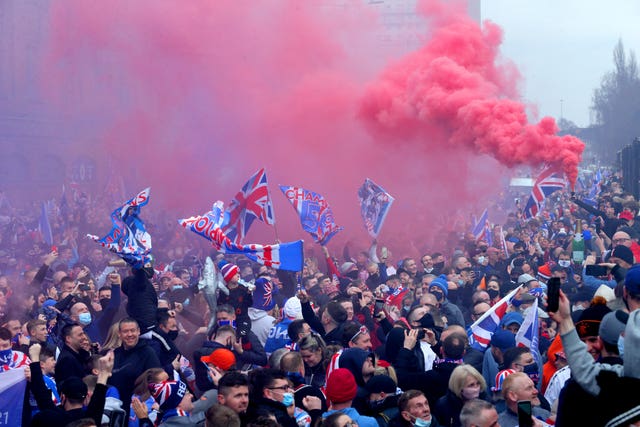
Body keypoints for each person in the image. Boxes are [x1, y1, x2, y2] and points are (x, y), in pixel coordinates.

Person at [29, 343, 114, 427]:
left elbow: (42, 395)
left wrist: (35, 359)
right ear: (87, 396)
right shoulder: (91, 420)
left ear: (62, 397)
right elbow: (98, 399)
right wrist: (104, 374)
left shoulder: (53, 418)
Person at [109, 317, 162, 415]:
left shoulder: (148, 352)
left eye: (132, 331)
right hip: (116, 410)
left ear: (138, 331)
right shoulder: (114, 354)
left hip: (139, 409)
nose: (130, 334)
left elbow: (158, 380)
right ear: (119, 334)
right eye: (125, 331)